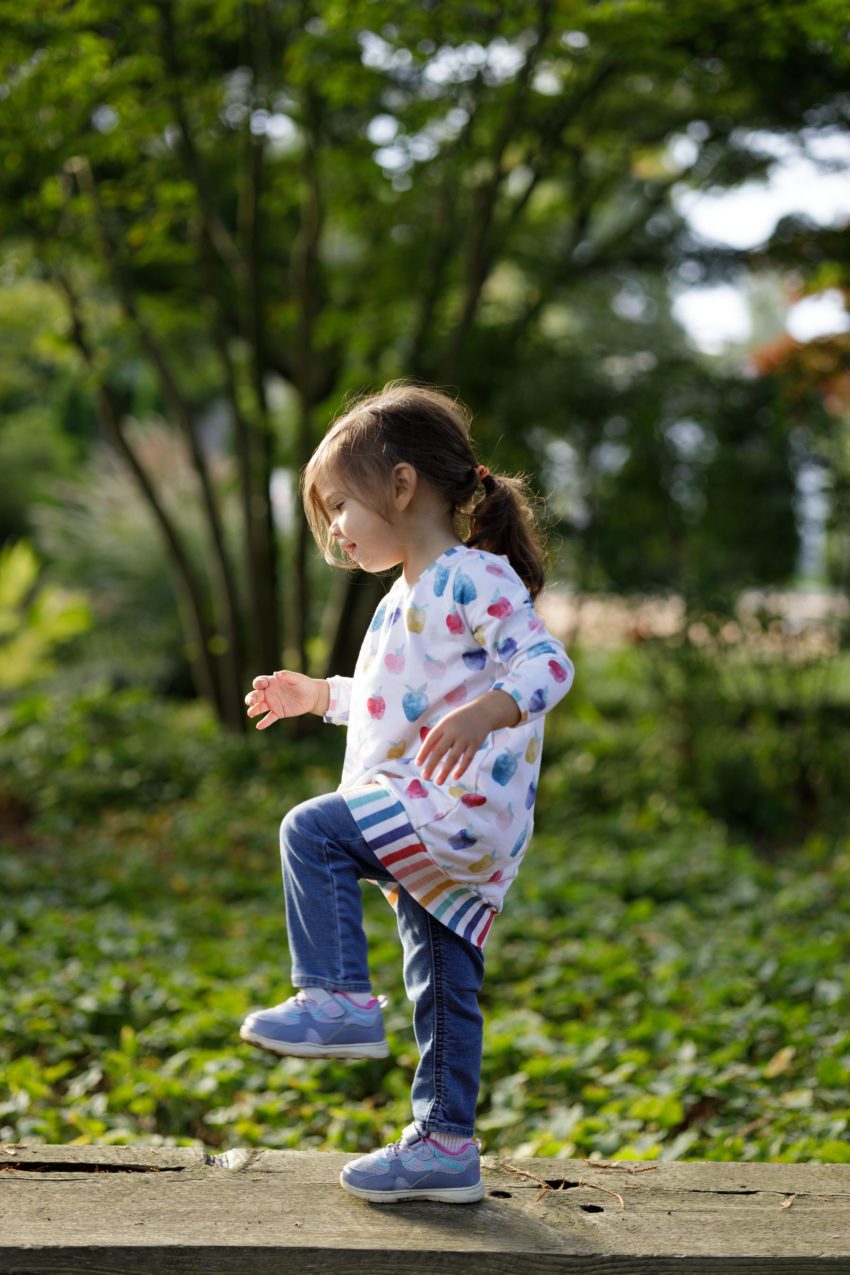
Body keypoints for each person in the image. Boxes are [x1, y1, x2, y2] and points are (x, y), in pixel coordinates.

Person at [242, 382, 574, 1204]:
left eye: (340, 508)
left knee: (310, 833)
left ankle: (337, 998)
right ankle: (445, 1143)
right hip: (437, 818)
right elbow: (397, 703)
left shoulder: (473, 577)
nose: (336, 532)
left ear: (400, 486)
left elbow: (548, 665)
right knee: (444, 979)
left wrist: (486, 711)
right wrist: (317, 695)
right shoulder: (403, 601)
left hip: (452, 807)